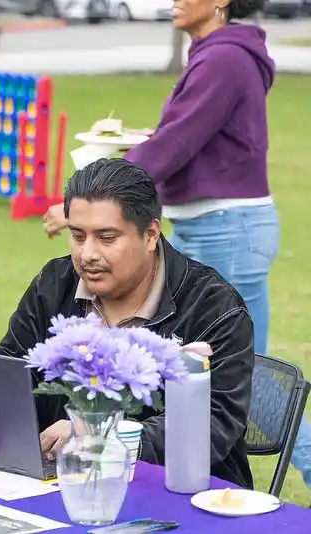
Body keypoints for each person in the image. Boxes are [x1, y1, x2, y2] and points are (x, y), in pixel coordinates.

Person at [42, 0, 311, 487]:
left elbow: (179, 141)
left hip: (225, 227)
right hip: (212, 223)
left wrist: (83, 203)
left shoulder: (225, 58)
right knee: (236, 383)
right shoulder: (214, 54)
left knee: (244, 386)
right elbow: (192, 137)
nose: (174, 0)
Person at [0, 158, 255, 488]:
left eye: (106, 238)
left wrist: (97, 437)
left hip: (180, 495)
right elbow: (8, 375)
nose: (87, 254)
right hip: (61, 484)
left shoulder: (213, 309)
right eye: (77, 236)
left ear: (150, 234)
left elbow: (213, 425)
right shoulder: (53, 284)